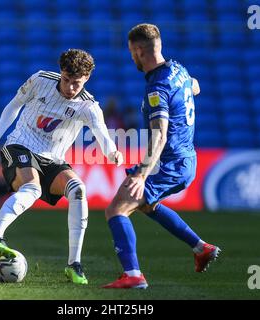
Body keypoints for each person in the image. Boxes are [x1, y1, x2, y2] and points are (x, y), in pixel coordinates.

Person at [0, 49, 123, 285]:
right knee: (32, 189)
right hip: (19, 145)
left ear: (86, 79)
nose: (70, 87)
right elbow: (14, 105)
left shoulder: (88, 106)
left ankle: (74, 264)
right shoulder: (40, 80)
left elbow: (102, 134)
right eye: (66, 80)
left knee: (78, 190)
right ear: (60, 73)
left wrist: (112, 152)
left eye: (76, 83)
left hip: (52, 159)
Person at [102, 23, 220, 289]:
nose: (131, 57)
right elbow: (195, 86)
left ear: (140, 50)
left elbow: (160, 135)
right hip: (186, 158)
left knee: (116, 209)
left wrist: (142, 174)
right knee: (146, 205)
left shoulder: (157, 88)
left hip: (168, 162)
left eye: (131, 51)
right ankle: (201, 248)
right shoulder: (178, 69)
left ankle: (133, 275)